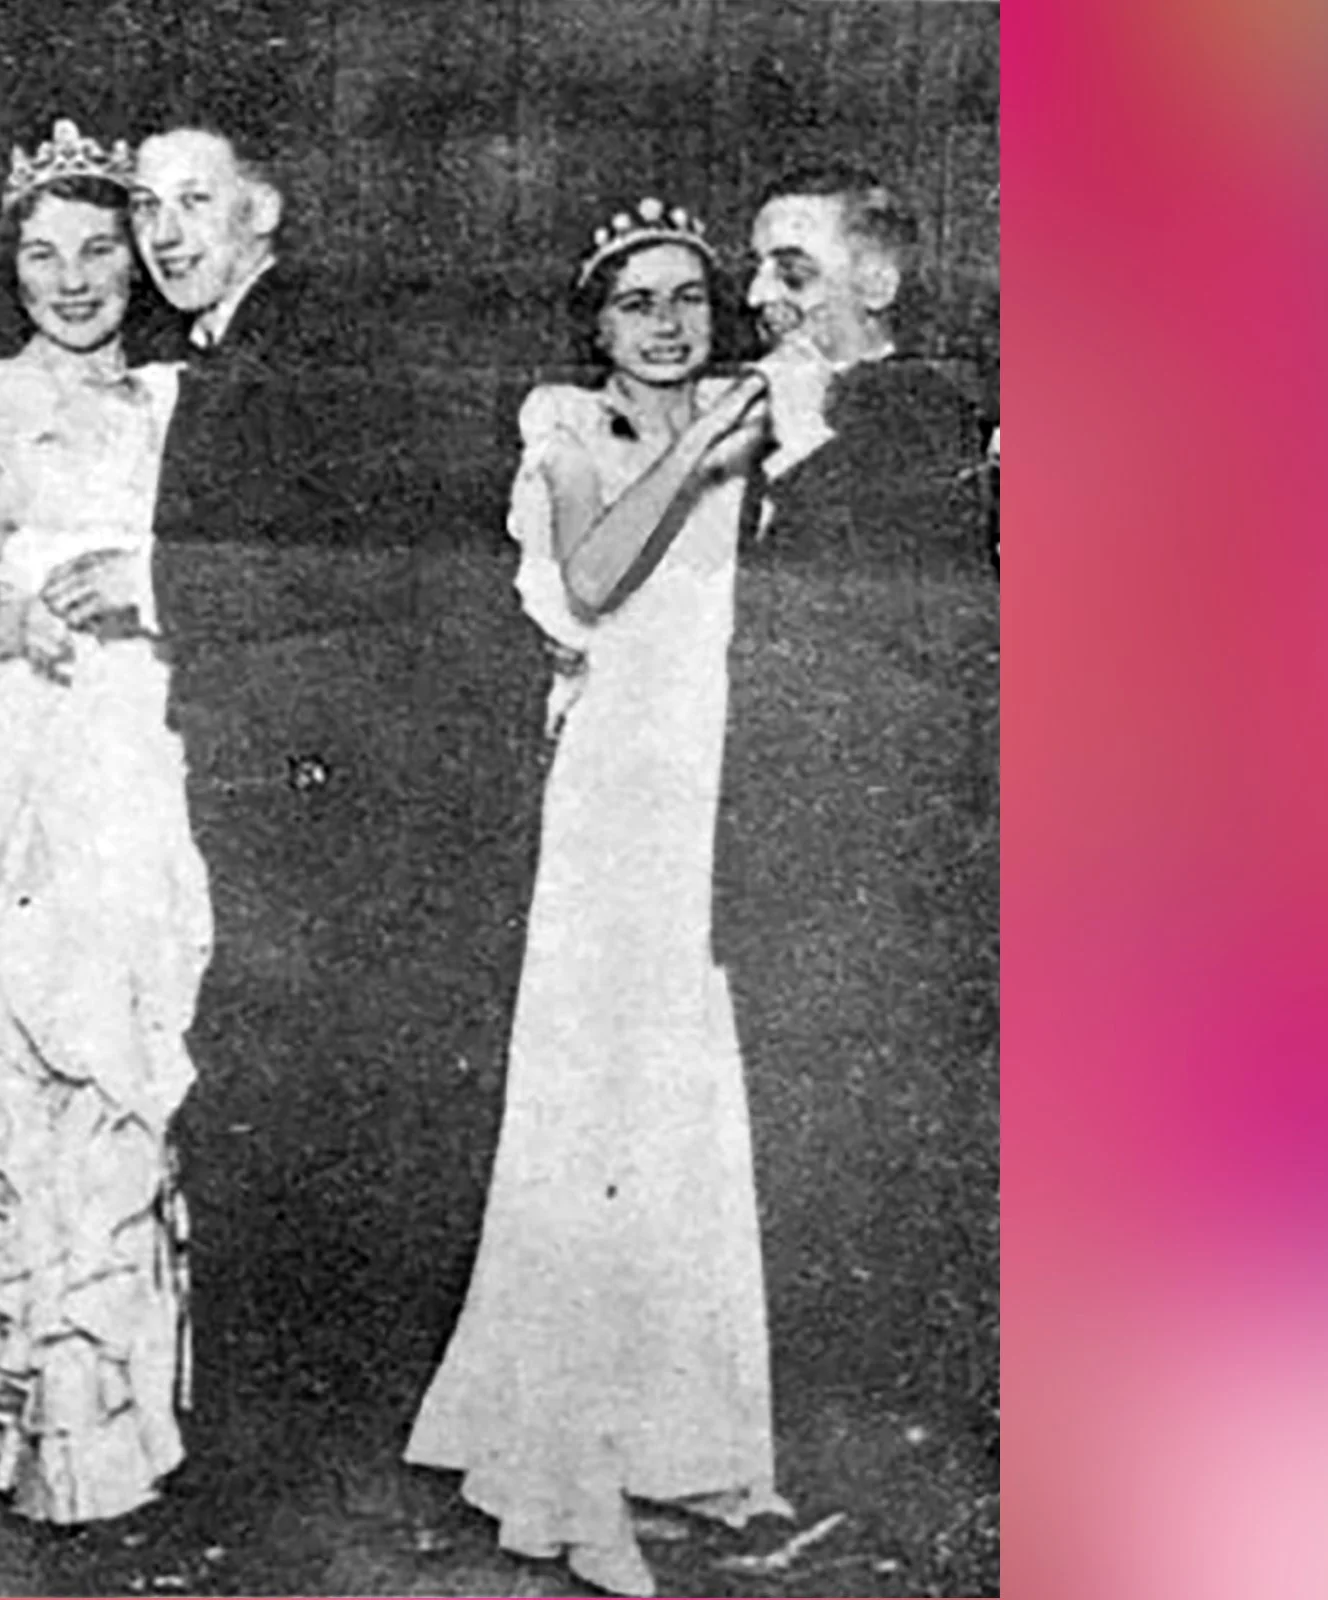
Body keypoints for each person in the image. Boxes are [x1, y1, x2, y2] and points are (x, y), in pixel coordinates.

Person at [404, 199, 790, 1598]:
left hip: (715, 793)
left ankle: (680, 1448)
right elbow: (591, 579)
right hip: (619, 798)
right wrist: (702, 446)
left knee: (684, 1113)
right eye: (640, 302)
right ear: (597, 324)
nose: (672, 324)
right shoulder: (569, 427)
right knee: (598, 1118)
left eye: (692, 297)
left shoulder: (756, 424)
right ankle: (566, 1482)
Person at [38, 118, 433, 1432]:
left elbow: (385, 561)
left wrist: (157, 584)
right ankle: (284, 1430)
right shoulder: (222, 350)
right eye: (150, 206)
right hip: (256, 769)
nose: (165, 232)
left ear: (263, 213)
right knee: (270, 1090)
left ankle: (285, 1447)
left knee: (288, 1093)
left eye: (195, 203)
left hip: (323, 780)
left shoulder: (310, 344)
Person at [0, 120, 210, 1527]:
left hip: (145, 751)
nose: (73, 280)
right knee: (41, 1072)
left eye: (98, 251)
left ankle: (131, 1417)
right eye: (42, 253)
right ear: (8, 265)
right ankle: (52, 1428)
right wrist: (15, 620)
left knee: (131, 1066)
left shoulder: (177, 394)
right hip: (31, 757)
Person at [716, 166, 998, 1432]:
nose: (763, 297)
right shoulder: (789, 409)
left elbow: (912, 607)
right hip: (788, 846)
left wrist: (814, 436)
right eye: (758, 269)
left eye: (796, 269)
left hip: (880, 858)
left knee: (875, 1145)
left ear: (879, 281)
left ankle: (885, 1441)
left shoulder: (918, 410)